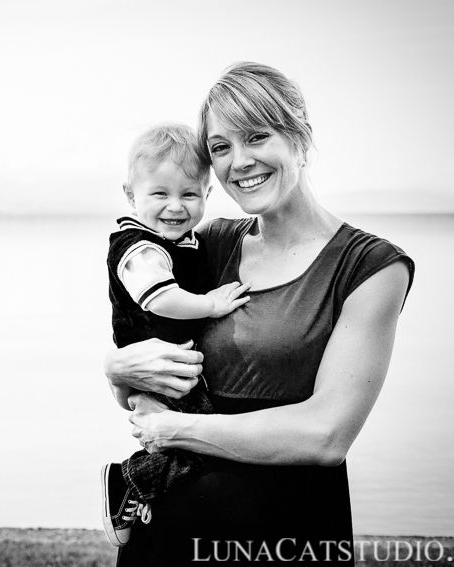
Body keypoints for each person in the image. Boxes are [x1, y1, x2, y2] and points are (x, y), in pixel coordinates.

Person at [104, 62, 415, 565]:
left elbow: (326, 436)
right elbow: (147, 342)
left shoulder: (370, 267)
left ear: (300, 137)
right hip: (169, 525)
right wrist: (116, 372)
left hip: (284, 530)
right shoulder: (208, 243)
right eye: (222, 147)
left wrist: (179, 432)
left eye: (256, 137)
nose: (240, 161)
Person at [101, 124, 250, 547]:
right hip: (158, 368)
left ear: (207, 194)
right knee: (202, 441)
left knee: (188, 443)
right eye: (159, 194)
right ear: (131, 195)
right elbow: (160, 298)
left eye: (189, 194)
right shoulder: (140, 247)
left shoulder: (185, 243)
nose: (175, 206)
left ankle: (144, 489)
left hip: (172, 369)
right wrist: (212, 304)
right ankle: (127, 481)